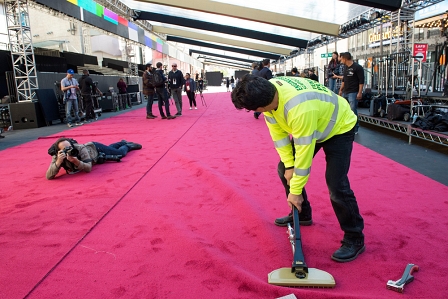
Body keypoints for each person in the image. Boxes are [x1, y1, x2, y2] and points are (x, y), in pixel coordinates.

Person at [231, 75, 365, 263]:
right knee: (283, 168)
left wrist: (295, 192)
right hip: (315, 121)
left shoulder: (299, 109)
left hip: (339, 126)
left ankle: (354, 237)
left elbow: (304, 154)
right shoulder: (269, 94)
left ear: (261, 106)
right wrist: (288, 165)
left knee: (337, 184)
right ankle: (302, 214)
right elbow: (279, 136)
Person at [46, 137, 142, 180]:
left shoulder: (79, 148)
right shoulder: (57, 156)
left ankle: (128, 145)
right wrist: (58, 162)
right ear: (59, 151)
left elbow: (88, 168)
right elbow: (49, 176)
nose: (69, 150)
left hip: (96, 148)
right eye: (65, 149)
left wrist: (77, 162)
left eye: (70, 147)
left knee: (120, 153)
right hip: (95, 154)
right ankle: (121, 142)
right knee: (110, 148)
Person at [339, 52, 364, 135]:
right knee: (345, 109)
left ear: (345, 58)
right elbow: (344, 80)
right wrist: (341, 90)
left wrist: (359, 92)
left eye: (341, 58)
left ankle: (355, 128)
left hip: (353, 92)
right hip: (346, 91)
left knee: (353, 110)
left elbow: (361, 81)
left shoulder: (357, 67)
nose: (341, 60)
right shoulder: (345, 68)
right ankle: (347, 126)